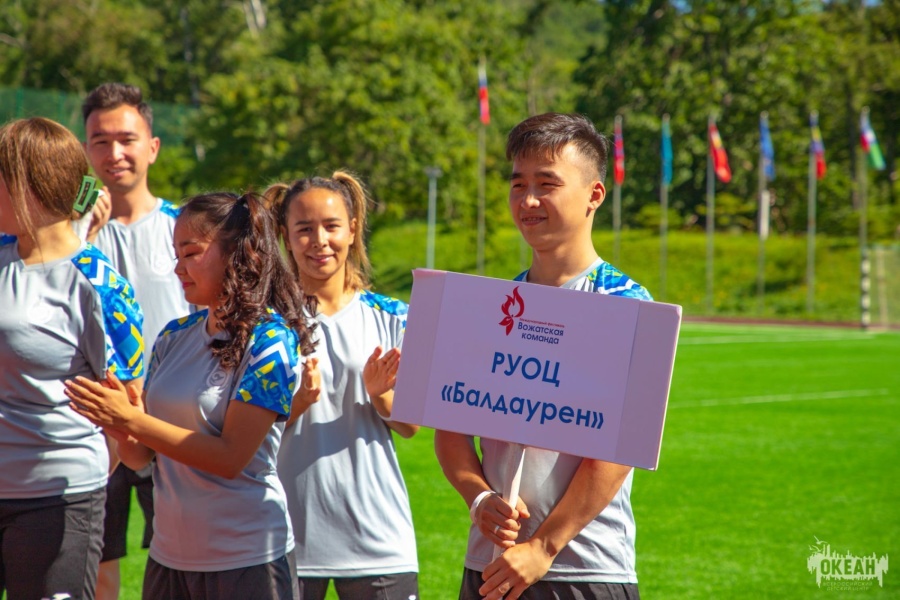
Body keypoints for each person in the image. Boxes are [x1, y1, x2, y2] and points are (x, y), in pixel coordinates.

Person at [434, 112, 651, 600]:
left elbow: (619, 450)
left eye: (547, 184)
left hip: (585, 570)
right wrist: (479, 498)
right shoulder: (489, 308)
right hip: (490, 566)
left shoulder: (627, 304)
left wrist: (544, 547)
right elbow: (449, 431)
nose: (528, 200)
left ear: (595, 194)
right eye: (518, 185)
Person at [64, 191, 315, 599]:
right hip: (169, 558)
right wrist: (117, 422)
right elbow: (141, 457)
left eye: (191, 253)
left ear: (238, 254)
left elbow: (230, 458)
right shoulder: (172, 336)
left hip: (246, 559)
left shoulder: (271, 342)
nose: (177, 267)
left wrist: (133, 420)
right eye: (175, 254)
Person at [0, 117, 144, 600]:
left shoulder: (98, 282)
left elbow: (127, 404)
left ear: (30, 186)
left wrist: (83, 482)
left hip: (57, 498)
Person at [265, 171, 420, 599]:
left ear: (352, 230)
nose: (319, 241)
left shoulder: (393, 317)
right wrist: (297, 402)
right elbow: (245, 432)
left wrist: (381, 395)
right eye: (304, 229)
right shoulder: (266, 323)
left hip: (378, 539)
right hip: (287, 537)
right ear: (285, 236)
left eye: (331, 226)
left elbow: (411, 426)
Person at [81, 82, 193, 600]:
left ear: (153, 146)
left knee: (179, 559)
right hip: (92, 421)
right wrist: (83, 234)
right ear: (85, 150)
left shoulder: (184, 231)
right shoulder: (66, 235)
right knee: (95, 559)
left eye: (126, 139)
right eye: (100, 141)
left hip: (166, 422)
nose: (115, 153)